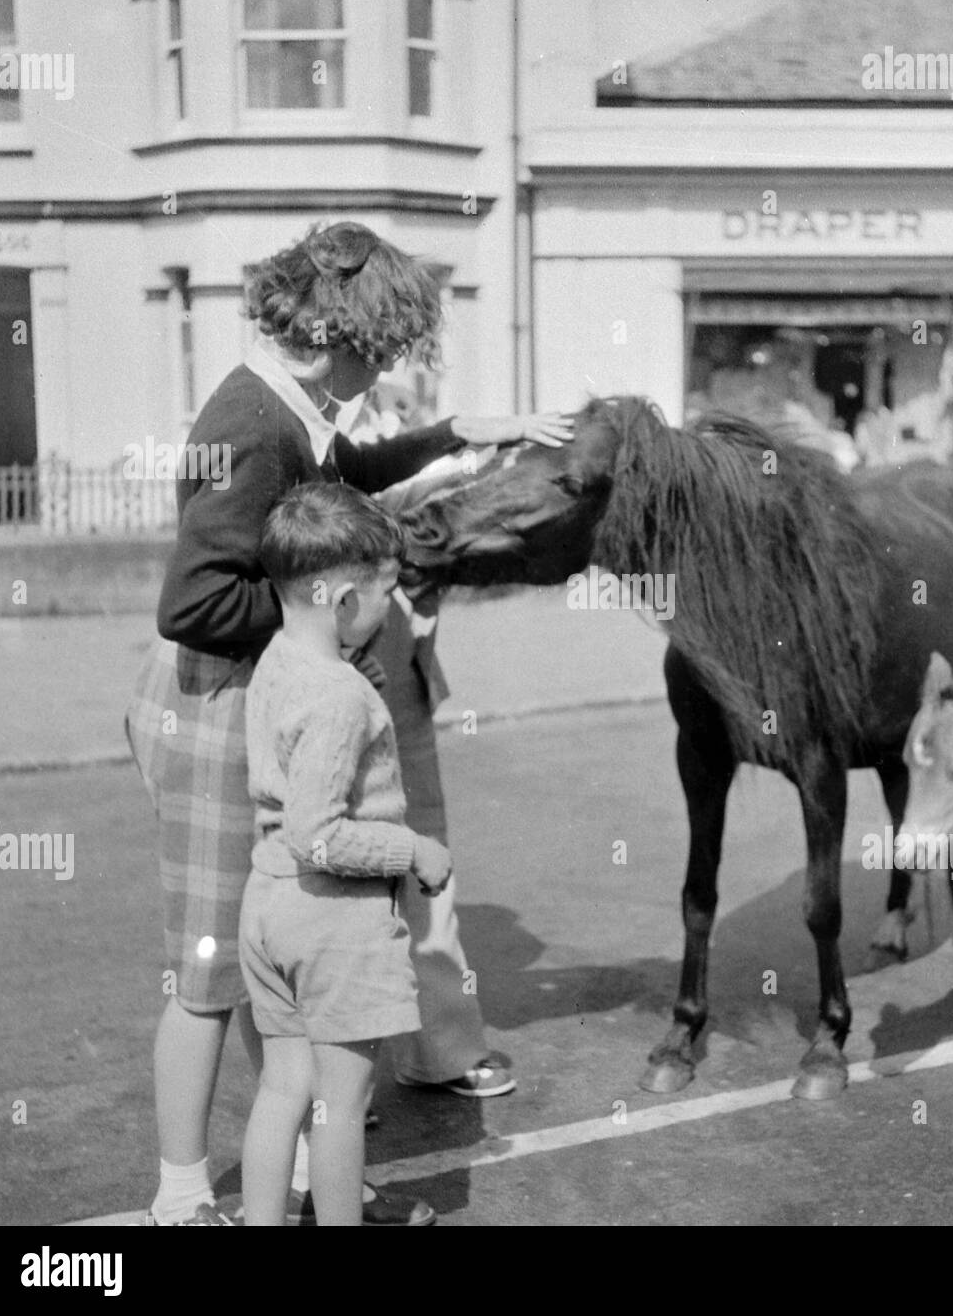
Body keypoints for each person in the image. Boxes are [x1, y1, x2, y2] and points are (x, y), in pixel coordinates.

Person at [125, 220, 572, 1225]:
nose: (385, 372)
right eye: (381, 352)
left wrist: (458, 433)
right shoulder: (255, 427)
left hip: (256, 686)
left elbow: (347, 467)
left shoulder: (292, 402)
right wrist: (313, 615)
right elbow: (192, 602)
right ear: (336, 338)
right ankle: (180, 1194)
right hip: (212, 701)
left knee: (274, 946)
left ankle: (302, 1174)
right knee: (209, 965)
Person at [239, 482, 451, 1227]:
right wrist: (412, 848)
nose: (390, 608)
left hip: (268, 904)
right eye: (384, 592)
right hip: (332, 919)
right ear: (340, 598)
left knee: (284, 1088)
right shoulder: (341, 695)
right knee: (340, 1104)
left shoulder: (277, 660)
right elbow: (319, 833)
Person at [336, 385, 514, 1099]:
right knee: (337, 863)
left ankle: (441, 1048)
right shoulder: (306, 423)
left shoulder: (391, 411)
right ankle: (337, 1083)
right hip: (339, 665)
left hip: (401, 670)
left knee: (424, 856)